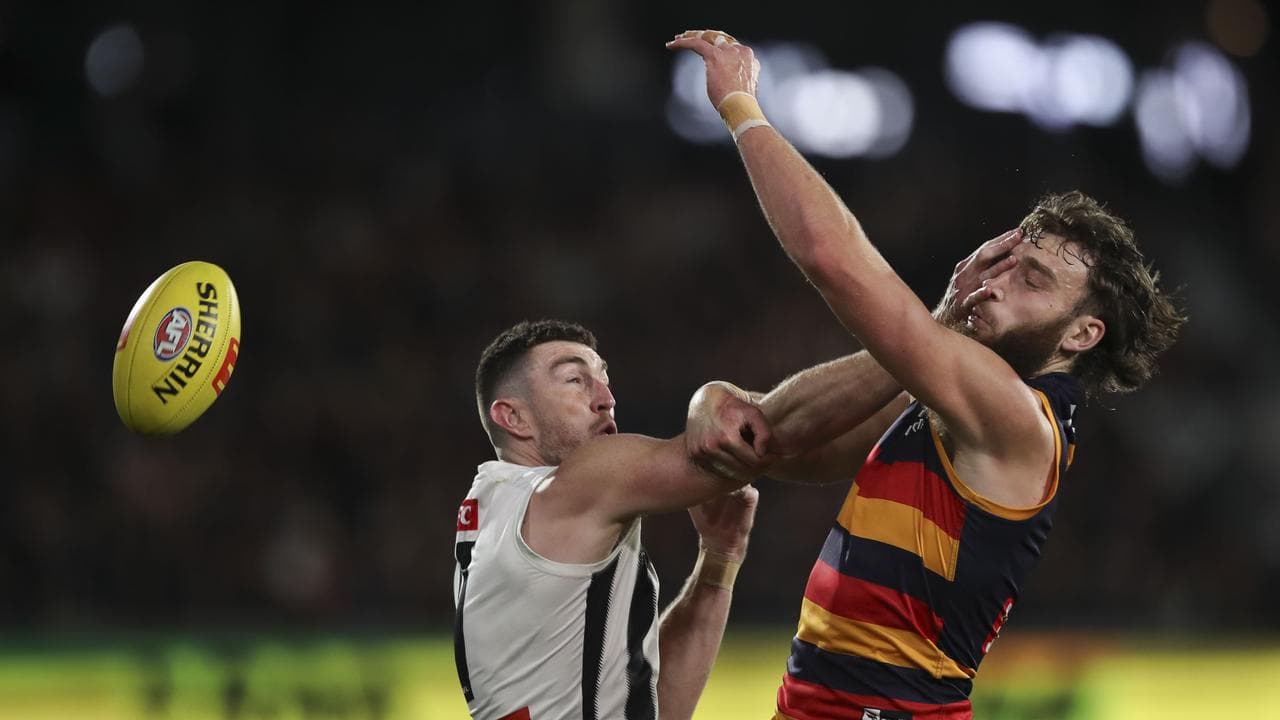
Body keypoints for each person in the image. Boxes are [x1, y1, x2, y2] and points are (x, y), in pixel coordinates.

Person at [669, 29, 1185, 720]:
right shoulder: (946, 400)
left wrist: (741, 108)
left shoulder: (1014, 415)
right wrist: (713, 400)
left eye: (1033, 280)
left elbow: (831, 259)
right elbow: (776, 440)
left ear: (1081, 335)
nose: (996, 283)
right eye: (1005, 263)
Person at [452, 319, 774, 720]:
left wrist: (718, 560)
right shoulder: (568, 489)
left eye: (604, 379)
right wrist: (712, 398)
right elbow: (741, 439)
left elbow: (655, 707)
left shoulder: (495, 505)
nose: (606, 398)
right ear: (513, 417)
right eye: (574, 380)